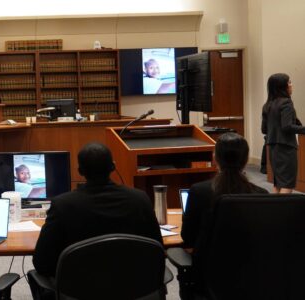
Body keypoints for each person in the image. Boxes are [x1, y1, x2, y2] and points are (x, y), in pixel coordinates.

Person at [29, 142, 162, 299]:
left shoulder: (63, 205)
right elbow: (157, 250)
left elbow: (41, 263)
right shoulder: (140, 199)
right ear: (113, 167)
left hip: (78, 292)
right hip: (135, 289)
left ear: (80, 171)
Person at [179, 133, 268, 298]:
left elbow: (188, 237)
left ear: (215, 158)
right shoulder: (261, 194)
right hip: (252, 278)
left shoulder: (199, 191)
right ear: (246, 159)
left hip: (208, 279)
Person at [261, 73, 305, 193]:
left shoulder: (267, 105)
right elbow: (287, 127)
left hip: (272, 148)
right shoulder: (286, 103)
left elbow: (264, 129)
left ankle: (275, 210)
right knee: (287, 183)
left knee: (278, 182)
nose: (292, 85)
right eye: (289, 82)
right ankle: (282, 211)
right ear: (282, 86)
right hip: (286, 148)